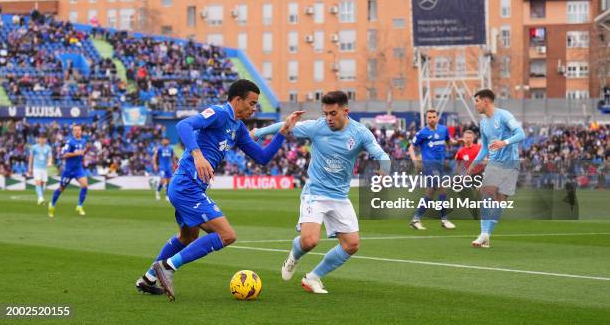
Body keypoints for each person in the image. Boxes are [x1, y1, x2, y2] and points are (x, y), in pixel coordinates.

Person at [136, 79, 303, 301]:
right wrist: (197, 155)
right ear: (237, 100)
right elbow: (183, 125)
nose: (254, 108)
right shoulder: (218, 113)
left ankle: (147, 279)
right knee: (226, 235)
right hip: (187, 185)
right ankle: (167, 267)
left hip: (191, 187)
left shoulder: (238, 128)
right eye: (252, 103)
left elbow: (262, 158)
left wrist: (283, 131)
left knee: (187, 236)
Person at [252, 91, 390, 294]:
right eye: (326, 113)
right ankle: (294, 256)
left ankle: (313, 277)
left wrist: (384, 170)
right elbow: (286, 127)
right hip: (315, 193)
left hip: (340, 196)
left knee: (351, 245)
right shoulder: (317, 127)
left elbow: (381, 154)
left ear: (346, 111)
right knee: (309, 241)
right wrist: (256, 133)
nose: (329, 118)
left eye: (333, 113)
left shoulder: (360, 132)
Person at [467, 89, 526, 248]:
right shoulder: (483, 122)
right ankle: (483, 233)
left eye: (477, 101)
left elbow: (521, 134)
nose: (475, 105)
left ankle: (486, 235)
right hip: (494, 164)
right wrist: (474, 163)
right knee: (487, 195)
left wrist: (504, 142)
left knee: (500, 202)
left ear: (486, 101)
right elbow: (485, 148)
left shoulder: (504, 115)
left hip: (511, 164)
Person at [409, 109, 461, 230]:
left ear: (437, 118)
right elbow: (411, 148)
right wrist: (415, 160)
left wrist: (456, 141)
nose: (432, 119)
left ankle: (416, 219)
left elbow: (449, 141)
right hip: (429, 166)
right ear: (426, 119)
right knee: (442, 190)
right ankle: (444, 220)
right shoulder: (422, 133)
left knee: (430, 194)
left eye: (434, 117)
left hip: (440, 165)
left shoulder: (443, 129)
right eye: (429, 117)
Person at [48, 125, 89, 218]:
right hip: (68, 170)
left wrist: (82, 153)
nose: (77, 131)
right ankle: (52, 204)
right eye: (75, 130)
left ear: (81, 131)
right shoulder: (70, 142)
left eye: (79, 130)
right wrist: (75, 153)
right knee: (61, 188)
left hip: (78, 169)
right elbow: (63, 155)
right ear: (73, 132)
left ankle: (79, 206)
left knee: (85, 185)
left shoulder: (83, 141)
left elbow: (82, 151)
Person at [28, 134, 53, 205]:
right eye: (41, 138)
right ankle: (40, 198)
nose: (42, 140)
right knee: (38, 182)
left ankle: (40, 198)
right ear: (38, 139)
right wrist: (29, 168)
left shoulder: (48, 148)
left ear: (46, 139)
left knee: (43, 184)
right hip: (36, 168)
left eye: (44, 138)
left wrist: (50, 162)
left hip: (44, 168)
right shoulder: (34, 147)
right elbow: (31, 158)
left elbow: (50, 157)